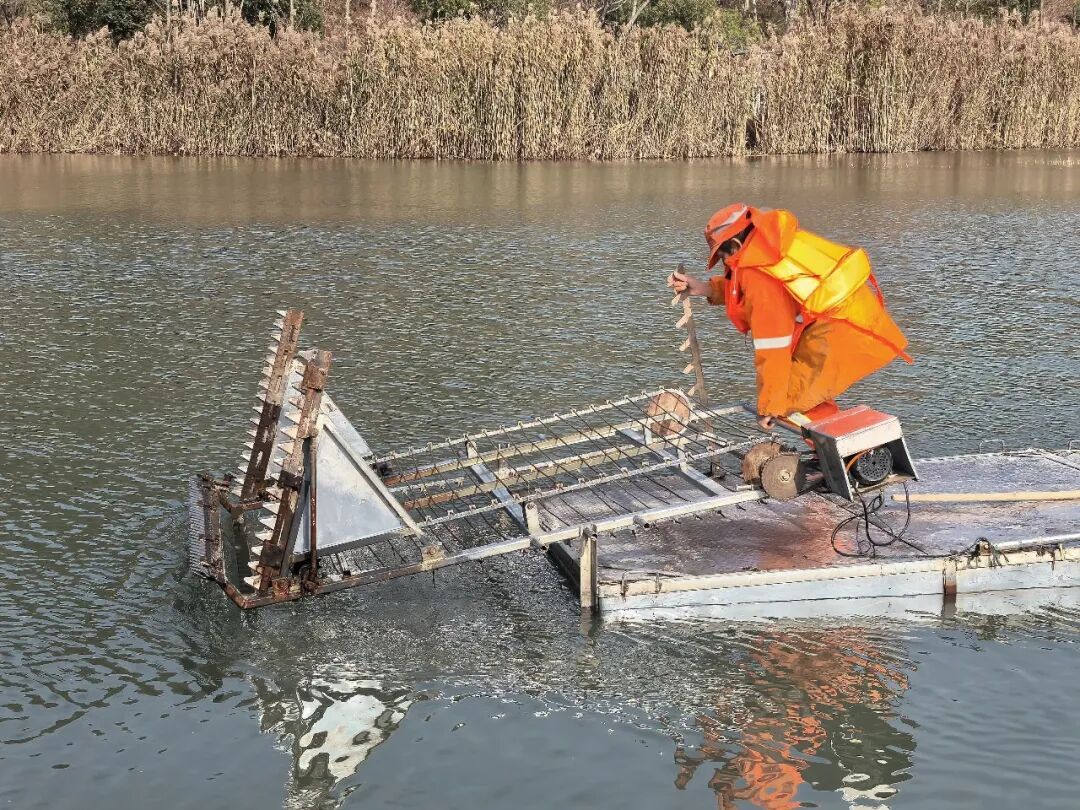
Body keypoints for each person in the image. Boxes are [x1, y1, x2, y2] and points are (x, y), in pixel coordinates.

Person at [669, 204, 910, 430]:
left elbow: (772, 346)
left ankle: (857, 456)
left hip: (843, 326)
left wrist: (770, 407)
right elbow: (745, 290)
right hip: (839, 319)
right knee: (805, 398)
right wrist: (705, 288)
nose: (726, 262)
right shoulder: (766, 247)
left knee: (787, 400)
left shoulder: (760, 273)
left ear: (734, 243)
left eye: (724, 255)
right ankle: (836, 456)